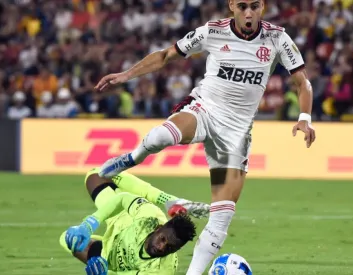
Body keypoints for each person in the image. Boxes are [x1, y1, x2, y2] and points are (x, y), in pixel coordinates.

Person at [94, 1, 316, 274]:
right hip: (205, 111)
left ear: (263, 7)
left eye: (255, 6)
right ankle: (132, 157)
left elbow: (302, 82)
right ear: (232, 6)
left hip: (234, 135)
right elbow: (165, 56)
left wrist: (305, 118)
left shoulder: (277, 38)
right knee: (159, 138)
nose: (249, 13)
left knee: (221, 216)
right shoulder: (212, 31)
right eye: (243, 6)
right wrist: (126, 75)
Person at [60, 169, 210, 275]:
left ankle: (99, 258)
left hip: (110, 259)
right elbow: (123, 199)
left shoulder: (161, 270)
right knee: (97, 174)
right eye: (162, 239)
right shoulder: (150, 217)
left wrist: (103, 272)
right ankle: (168, 200)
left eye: (170, 248)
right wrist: (88, 225)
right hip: (119, 217)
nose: (161, 247)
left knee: (69, 240)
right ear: (158, 228)